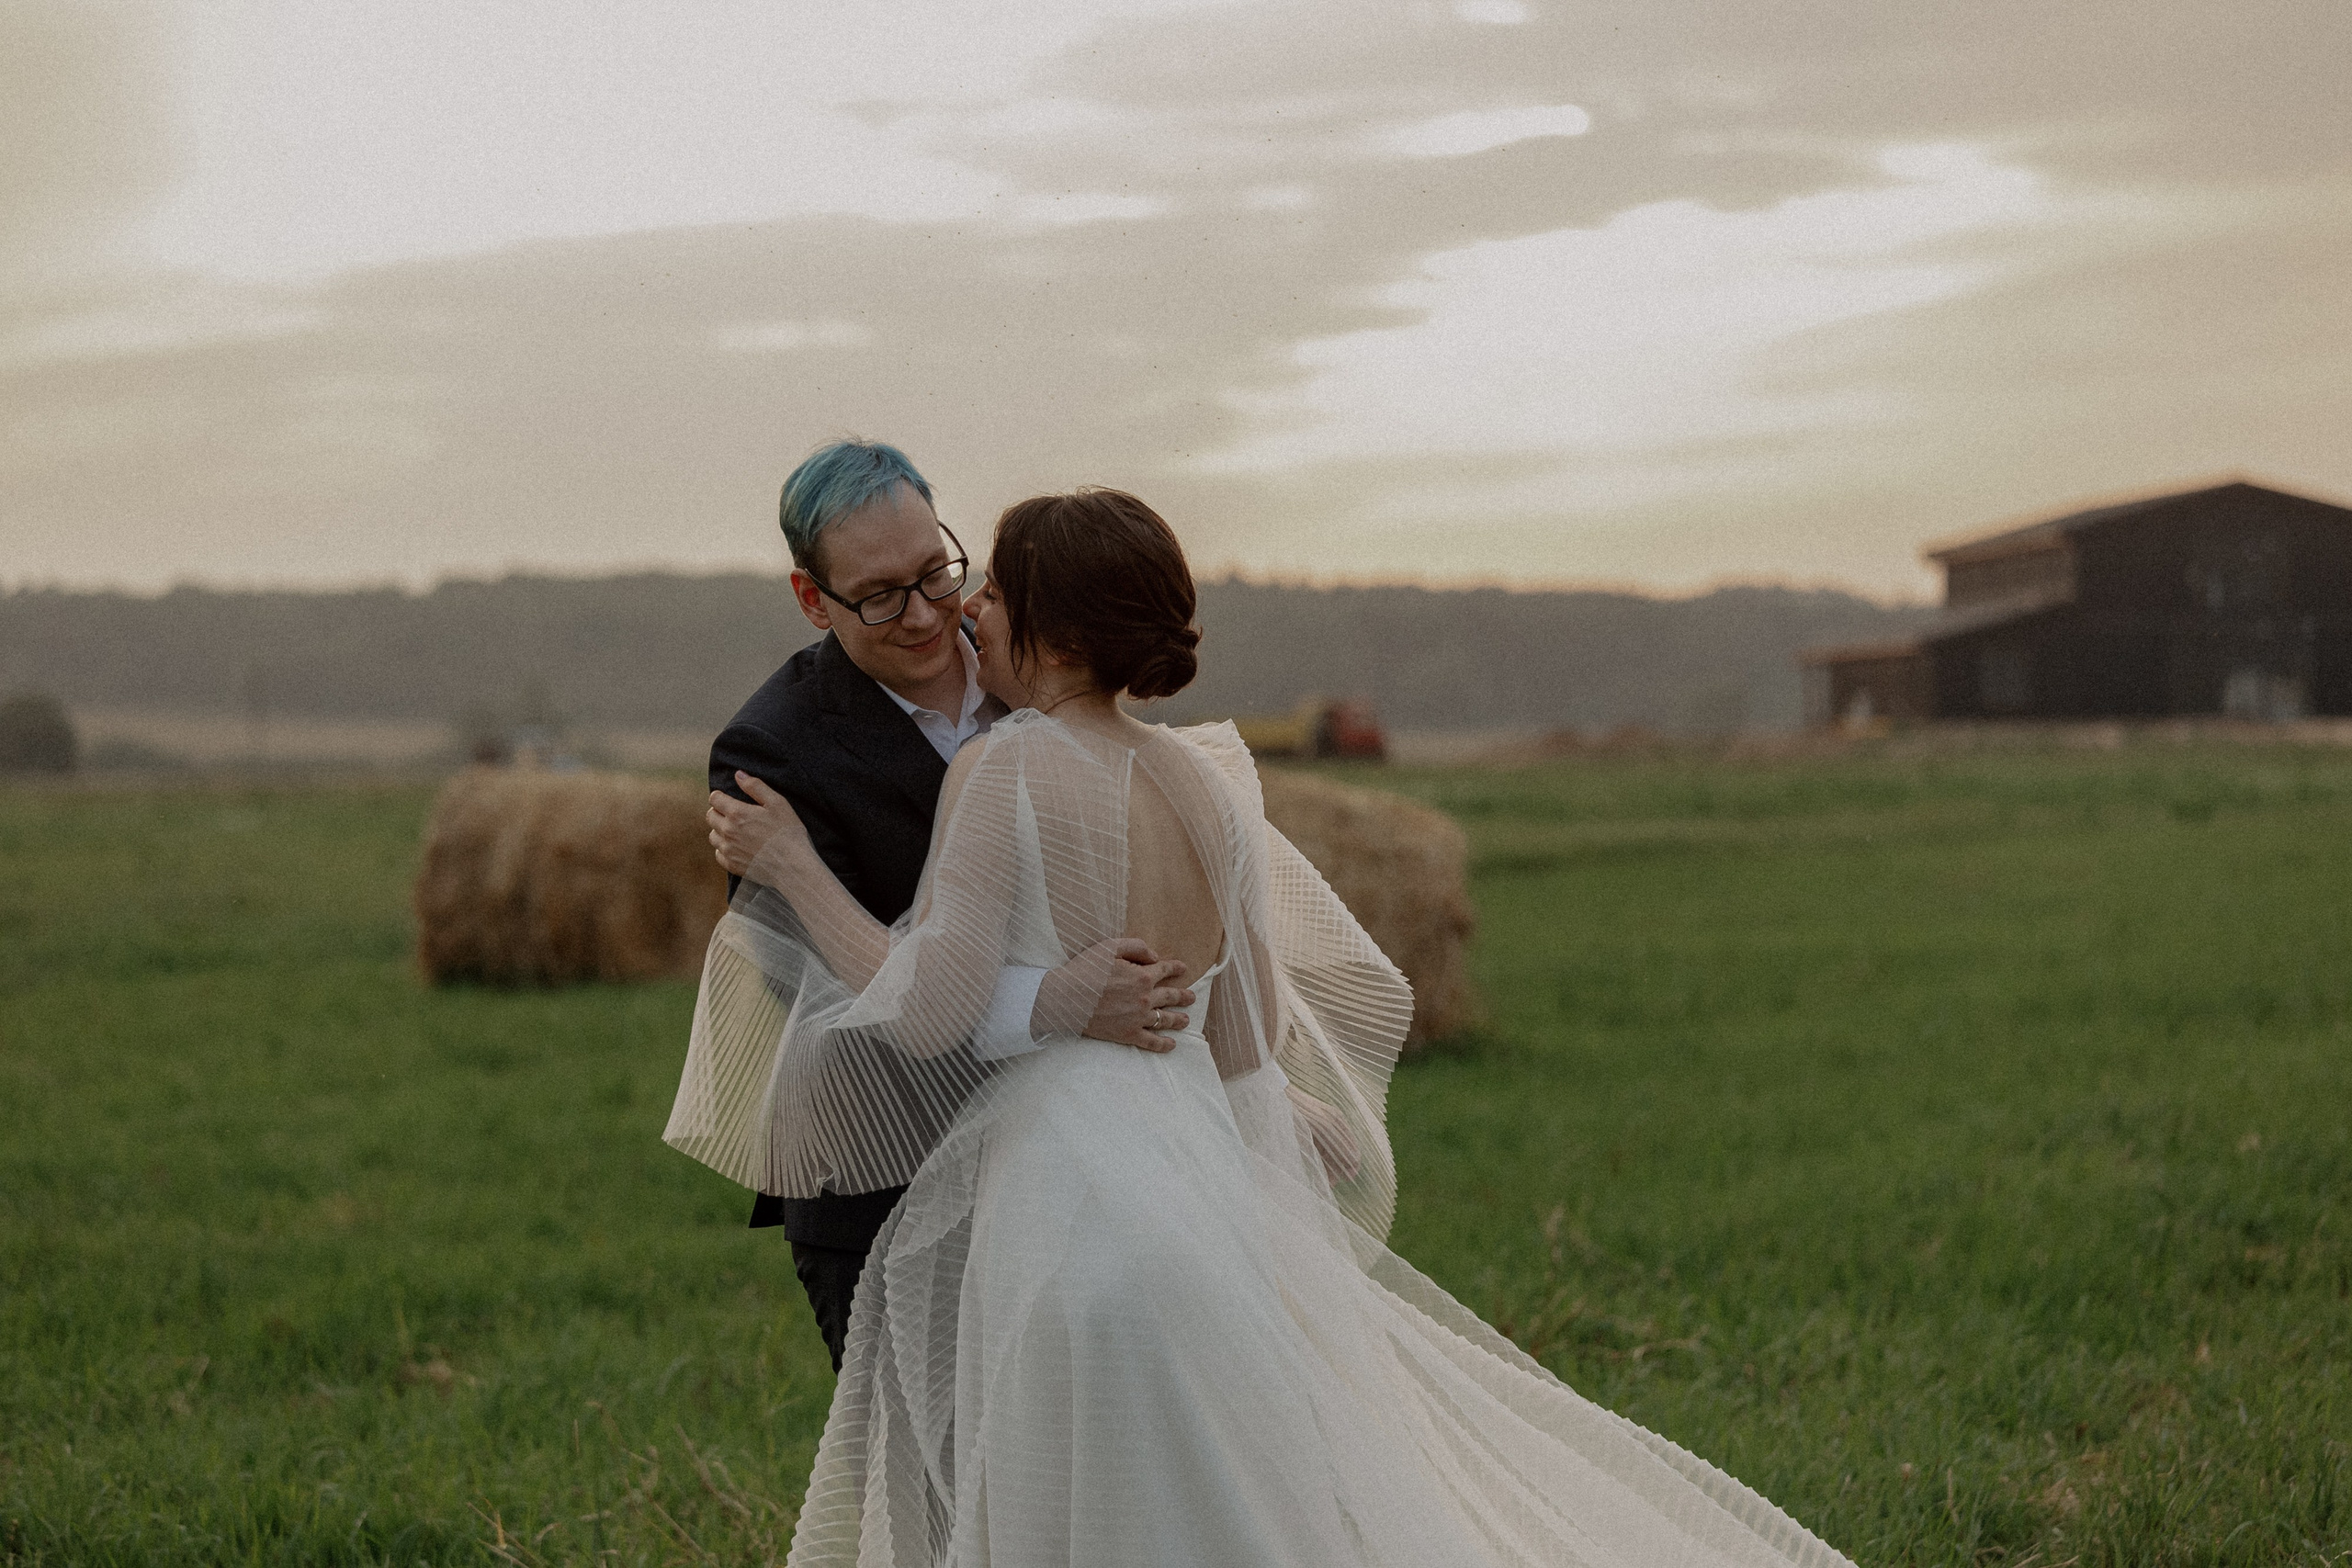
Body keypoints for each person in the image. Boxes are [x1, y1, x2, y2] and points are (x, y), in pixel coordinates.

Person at [673, 490, 1853, 1566]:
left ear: (1058, 633)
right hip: (1197, 1175)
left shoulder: (1004, 772)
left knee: (1068, 1495)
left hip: (1068, 1188)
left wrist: (795, 871)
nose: (970, 611)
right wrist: (1277, 1146)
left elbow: (929, 1015)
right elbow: (1247, 1033)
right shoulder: (1207, 782)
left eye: (994, 591)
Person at [703, 441, 1196, 1371]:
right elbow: (817, 998)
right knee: (931, 1463)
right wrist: (1051, 1003)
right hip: (887, 1186)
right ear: (813, 598)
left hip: (1093, 1170)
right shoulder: (772, 754)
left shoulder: (1041, 664)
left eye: (937, 571)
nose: (930, 613)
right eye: (881, 595)